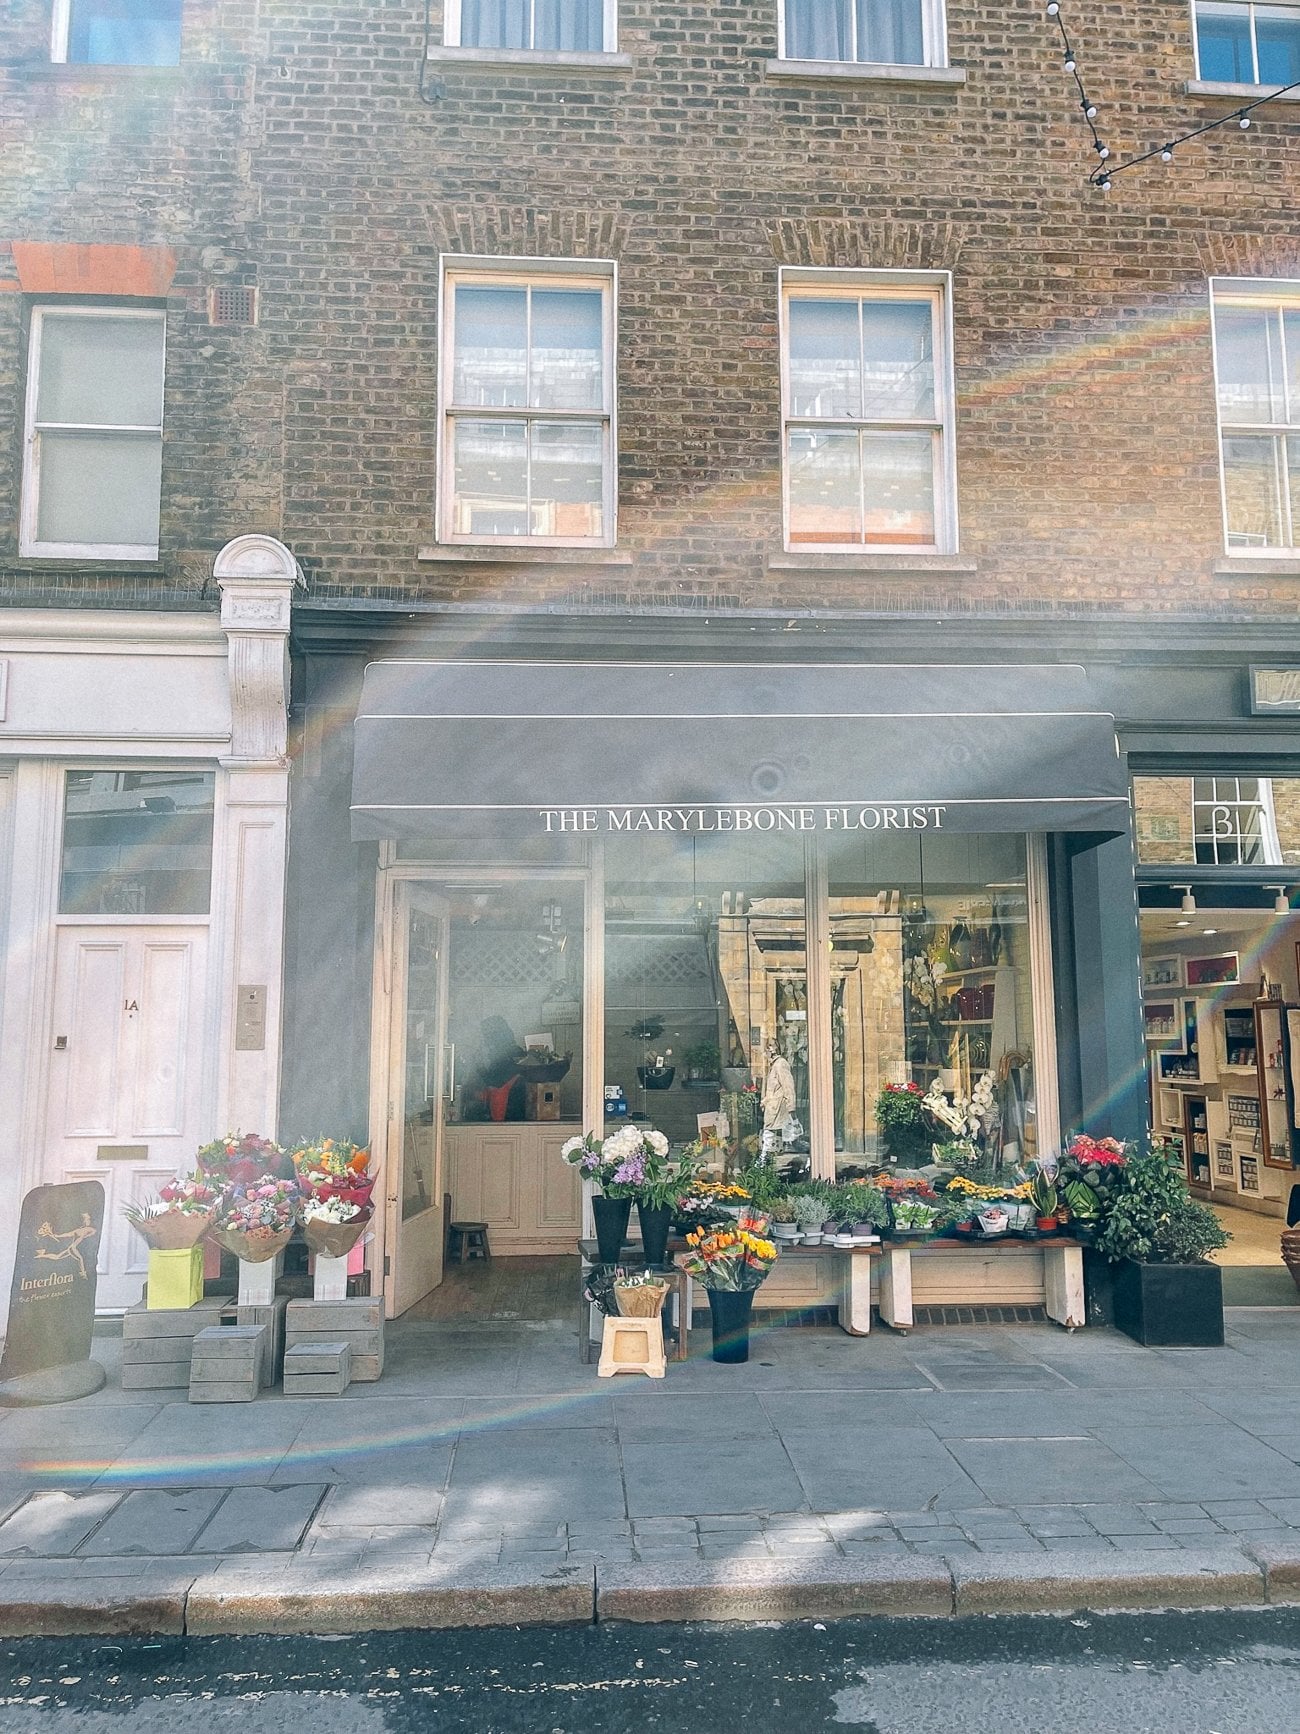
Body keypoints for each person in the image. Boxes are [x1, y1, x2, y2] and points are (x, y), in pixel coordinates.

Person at [469, 1015, 526, 1122]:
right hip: (511, 1118)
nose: (484, 1041)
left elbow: (496, 1083)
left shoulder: (508, 1057)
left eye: (486, 1036)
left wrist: (479, 1066)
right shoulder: (515, 1054)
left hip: (508, 1119)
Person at [760, 1037, 797, 1160]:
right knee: (772, 1132)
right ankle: (767, 1158)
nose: (767, 1051)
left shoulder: (780, 1064)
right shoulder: (774, 1065)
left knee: (770, 1132)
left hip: (777, 1105)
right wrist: (765, 1101)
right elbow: (772, 1088)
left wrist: (791, 1107)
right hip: (772, 1105)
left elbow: (788, 1086)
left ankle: (763, 1160)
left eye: (770, 1047)